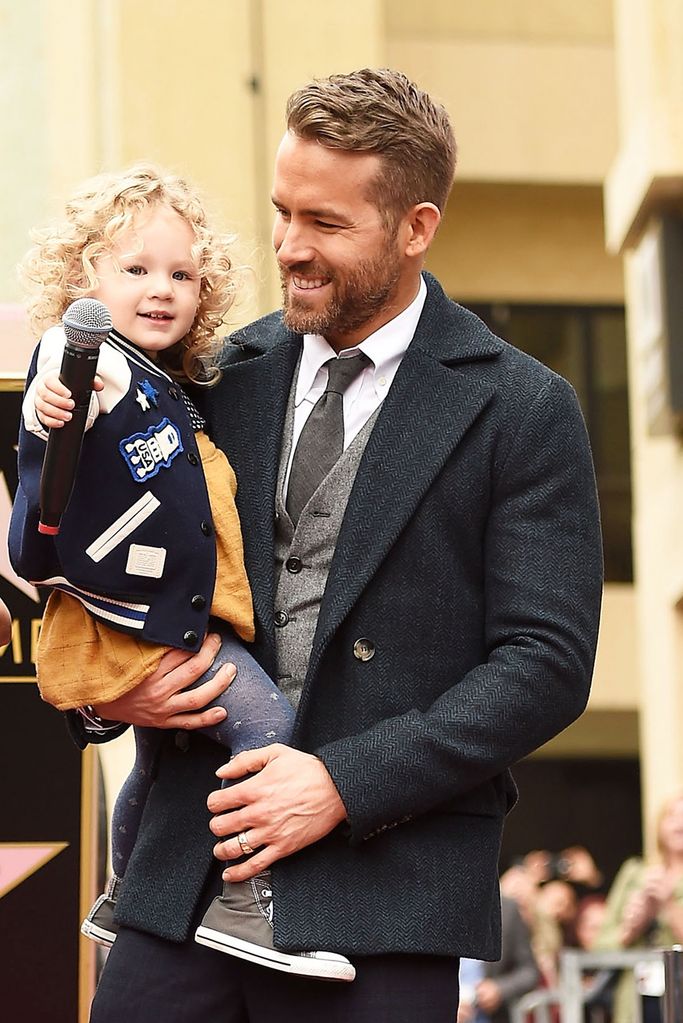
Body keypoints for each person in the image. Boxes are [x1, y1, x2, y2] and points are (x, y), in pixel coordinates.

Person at [62, 68, 601, 1023]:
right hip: (182, 883)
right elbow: (107, 555)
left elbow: (545, 664)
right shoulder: (215, 372)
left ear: (416, 226)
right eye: (281, 212)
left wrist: (344, 784)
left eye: (326, 223)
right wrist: (113, 697)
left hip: (387, 900)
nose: (289, 249)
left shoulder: (524, 408)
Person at [8, 162, 353, 981]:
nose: (159, 289)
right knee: (268, 727)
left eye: (181, 274)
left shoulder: (181, 380)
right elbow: (61, 379)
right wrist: (49, 397)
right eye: (134, 270)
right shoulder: (94, 353)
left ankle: (124, 887)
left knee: (156, 763)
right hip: (136, 622)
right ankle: (249, 901)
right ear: (81, 276)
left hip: (151, 617)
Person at [594, 791, 683, 1023]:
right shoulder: (635, 874)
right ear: (659, 824)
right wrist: (632, 928)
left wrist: (669, 904)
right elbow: (599, 947)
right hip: (636, 1000)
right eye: (673, 816)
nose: (680, 822)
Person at [458, 895, 540, 1023]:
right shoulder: (431, 903)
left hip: (490, 1016)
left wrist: (499, 989)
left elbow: (529, 971)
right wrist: (445, 1002)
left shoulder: (507, 908)